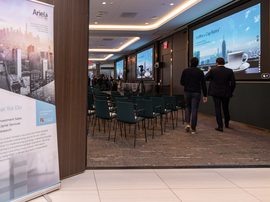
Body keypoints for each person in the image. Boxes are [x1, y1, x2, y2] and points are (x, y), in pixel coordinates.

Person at [205, 57, 236, 132]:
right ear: (224, 63)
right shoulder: (229, 71)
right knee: (226, 108)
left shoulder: (213, 71)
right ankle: (227, 123)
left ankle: (220, 126)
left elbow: (205, 78)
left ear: (217, 63)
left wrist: (209, 73)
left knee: (217, 108)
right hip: (226, 92)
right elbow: (233, 84)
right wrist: (230, 91)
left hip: (215, 93)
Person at [180, 57, 207, 134]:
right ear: (197, 63)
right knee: (194, 109)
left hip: (187, 92)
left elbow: (181, 82)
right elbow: (203, 85)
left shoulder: (185, 71)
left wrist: (187, 83)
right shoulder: (200, 72)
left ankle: (188, 123)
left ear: (190, 63)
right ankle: (193, 129)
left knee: (188, 107)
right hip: (196, 92)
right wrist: (205, 95)